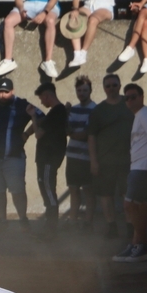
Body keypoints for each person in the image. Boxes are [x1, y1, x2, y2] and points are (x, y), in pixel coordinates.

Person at [112, 83, 147, 262]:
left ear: (141, 97)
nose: (130, 100)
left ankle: (142, 244)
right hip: (141, 167)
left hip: (144, 167)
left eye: (133, 97)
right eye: (127, 98)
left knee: (130, 205)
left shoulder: (145, 114)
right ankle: (136, 243)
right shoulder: (141, 115)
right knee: (140, 207)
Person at [0, 77, 34, 233]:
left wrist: (26, 134)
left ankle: (23, 220)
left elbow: (40, 118)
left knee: (18, 190)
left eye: (6, 92)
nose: (3, 95)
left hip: (13, 157)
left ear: (13, 91)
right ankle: (2, 221)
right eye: (0, 92)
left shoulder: (22, 105)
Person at [0, 0, 62, 78]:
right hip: (29, 3)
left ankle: (48, 61)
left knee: (50, 21)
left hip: (48, 4)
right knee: (8, 21)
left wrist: (44, 12)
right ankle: (8, 60)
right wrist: (21, 9)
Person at [88, 73, 133, 241]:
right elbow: (91, 137)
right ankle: (112, 227)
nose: (111, 88)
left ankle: (131, 228)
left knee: (127, 195)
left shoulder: (129, 104)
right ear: (104, 88)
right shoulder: (98, 111)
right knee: (106, 195)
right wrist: (93, 161)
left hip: (128, 160)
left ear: (120, 86)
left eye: (114, 85)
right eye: (108, 86)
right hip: (105, 161)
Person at [27, 82, 68, 235]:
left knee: (48, 191)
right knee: (47, 190)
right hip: (48, 159)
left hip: (49, 159)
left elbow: (38, 134)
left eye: (41, 99)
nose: (41, 102)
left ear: (47, 96)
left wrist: (33, 116)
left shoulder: (57, 112)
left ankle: (51, 229)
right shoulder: (58, 112)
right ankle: (49, 227)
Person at [64, 75, 97, 226]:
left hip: (87, 157)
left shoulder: (95, 109)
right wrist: (66, 114)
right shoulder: (73, 109)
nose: (82, 93)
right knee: (73, 189)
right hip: (72, 156)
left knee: (88, 191)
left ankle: (88, 223)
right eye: (79, 90)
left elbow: (86, 135)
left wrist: (72, 133)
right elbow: (66, 129)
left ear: (90, 91)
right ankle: (72, 221)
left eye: (84, 90)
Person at [68, 0, 116, 66]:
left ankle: (83, 52)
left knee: (93, 20)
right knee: (74, 18)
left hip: (105, 6)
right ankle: (77, 54)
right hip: (88, 6)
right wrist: (75, 9)